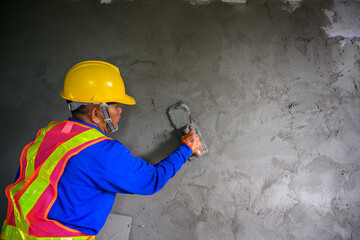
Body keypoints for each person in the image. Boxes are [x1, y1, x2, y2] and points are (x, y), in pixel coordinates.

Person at [0, 60, 202, 240]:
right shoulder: (102, 151)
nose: (121, 110)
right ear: (97, 113)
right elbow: (151, 180)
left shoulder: (50, 133)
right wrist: (187, 148)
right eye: (116, 105)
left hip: (14, 232)